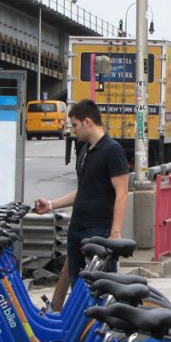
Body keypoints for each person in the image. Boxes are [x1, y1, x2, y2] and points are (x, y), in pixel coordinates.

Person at [33, 99, 129, 310]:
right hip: (77, 229)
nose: (72, 130)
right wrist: (51, 204)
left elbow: (122, 192)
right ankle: (81, 335)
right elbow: (83, 190)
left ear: (87, 122)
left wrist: (115, 232)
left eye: (74, 125)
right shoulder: (84, 150)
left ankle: (104, 334)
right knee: (78, 289)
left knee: (102, 287)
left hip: (98, 231)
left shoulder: (112, 151)